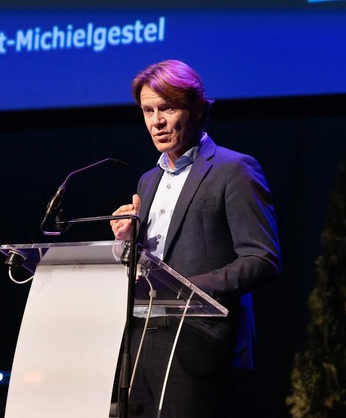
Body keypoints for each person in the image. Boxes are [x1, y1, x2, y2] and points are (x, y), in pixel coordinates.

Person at [110, 59, 281, 418]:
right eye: (148, 111)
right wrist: (127, 243)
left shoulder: (233, 169)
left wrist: (187, 290)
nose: (156, 121)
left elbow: (262, 258)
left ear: (197, 109)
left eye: (167, 108)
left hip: (198, 341)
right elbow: (150, 265)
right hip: (141, 337)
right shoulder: (148, 181)